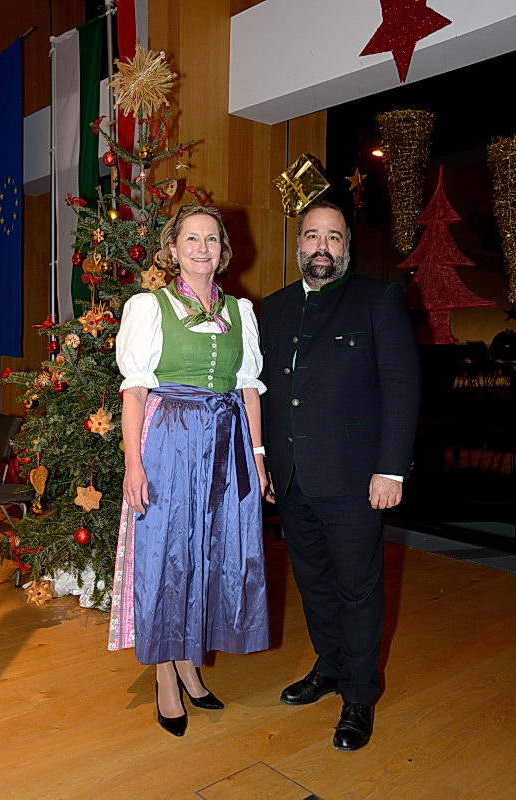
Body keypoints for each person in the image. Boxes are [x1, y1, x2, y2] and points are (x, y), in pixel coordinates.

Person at [260, 200, 420, 751]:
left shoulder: (378, 298)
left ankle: (359, 693)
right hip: (292, 478)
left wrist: (390, 469)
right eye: (312, 235)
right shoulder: (273, 308)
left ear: (347, 246)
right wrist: (267, 462)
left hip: (356, 479)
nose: (321, 246)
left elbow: (401, 388)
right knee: (313, 583)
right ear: (299, 244)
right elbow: (266, 393)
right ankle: (329, 666)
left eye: (333, 236)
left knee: (357, 589)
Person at [108, 205, 270, 737]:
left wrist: (258, 458)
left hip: (227, 446)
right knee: (167, 556)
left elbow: (248, 391)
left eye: (212, 239)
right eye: (192, 239)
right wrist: (134, 465)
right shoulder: (149, 307)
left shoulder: (240, 312)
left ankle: (188, 664)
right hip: (169, 442)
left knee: (210, 555)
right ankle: (166, 674)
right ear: (172, 249)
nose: (203, 249)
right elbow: (134, 392)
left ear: (223, 250)